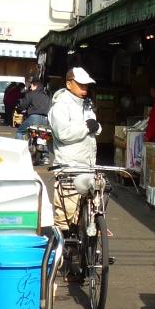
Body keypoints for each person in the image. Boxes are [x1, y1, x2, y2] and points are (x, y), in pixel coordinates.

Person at [48, 67, 100, 230]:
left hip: (88, 166)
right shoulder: (61, 106)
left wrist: (96, 127)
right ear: (69, 84)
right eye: (81, 85)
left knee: (93, 211)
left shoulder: (86, 105)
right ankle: (63, 243)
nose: (85, 89)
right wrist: (87, 128)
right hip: (69, 167)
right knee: (66, 217)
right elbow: (63, 133)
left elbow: (95, 127)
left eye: (86, 85)